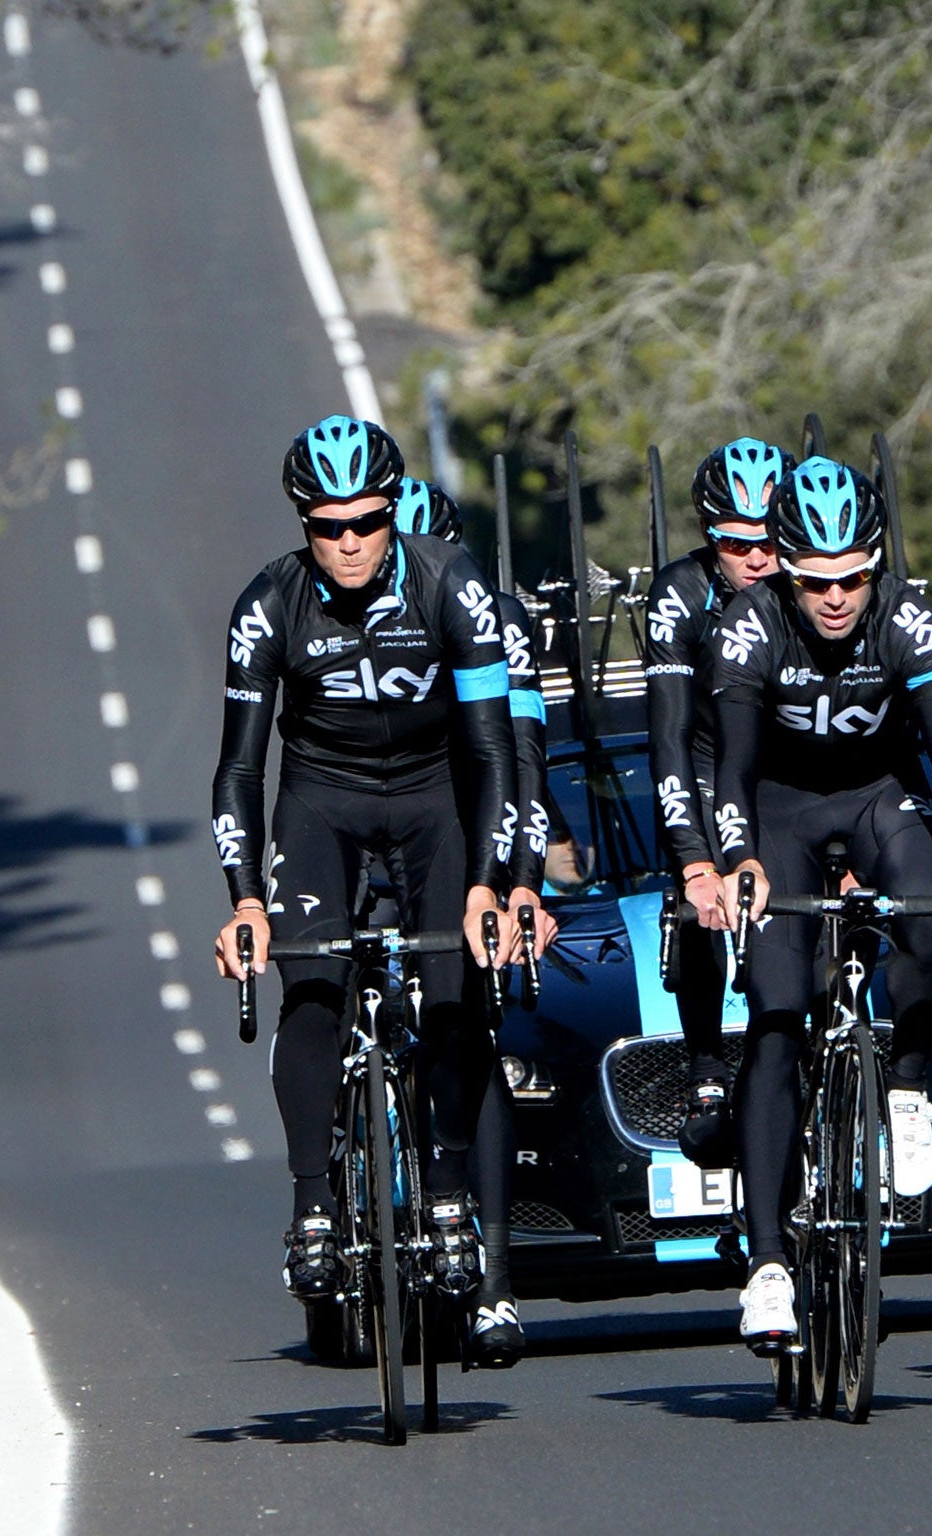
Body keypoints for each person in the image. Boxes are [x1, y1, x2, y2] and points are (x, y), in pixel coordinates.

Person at [210, 415, 520, 1344]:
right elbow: (237, 770)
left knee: (457, 990)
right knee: (309, 985)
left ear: (393, 515)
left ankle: (452, 1195)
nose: (349, 543)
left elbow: (494, 745)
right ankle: (313, 1206)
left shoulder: (449, 584)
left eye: (368, 522)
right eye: (327, 526)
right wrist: (246, 903)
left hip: (435, 800)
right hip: (323, 804)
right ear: (303, 524)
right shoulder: (268, 605)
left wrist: (489, 882)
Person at [711, 455, 932, 1352]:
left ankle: (908, 1091)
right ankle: (766, 1268)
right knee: (775, 1020)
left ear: (876, 568)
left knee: (926, 906)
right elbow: (726, 763)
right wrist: (735, 858)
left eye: (854, 580)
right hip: (781, 809)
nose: (837, 600)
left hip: (878, 798)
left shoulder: (906, 620)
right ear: (786, 569)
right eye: (816, 582)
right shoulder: (748, 626)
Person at [394, 476, 560, 1365]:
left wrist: (521, 879)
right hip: (374, 824)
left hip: (467, 830)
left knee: (470, 1031)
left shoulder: (495, 617)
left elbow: (524, 760)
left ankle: (494, 1280)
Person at [642, 437, 789, 1168]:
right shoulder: (680, 593)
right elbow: (666, 737)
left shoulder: (822, 593)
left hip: (790, 771)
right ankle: (705, 1067)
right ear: (709, 538)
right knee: (697, 905)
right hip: (704, 760)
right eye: (737, 543)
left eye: (770, 541)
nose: (758, 559)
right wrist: (697, 863)